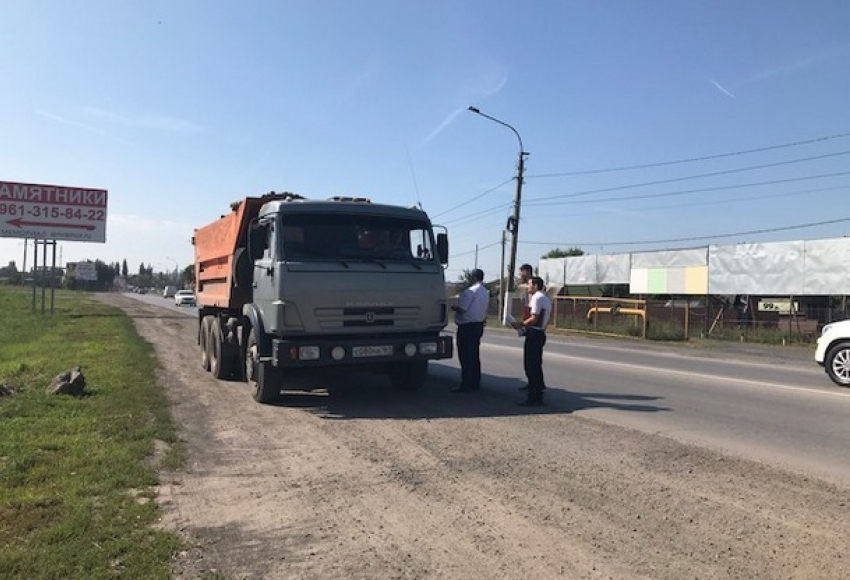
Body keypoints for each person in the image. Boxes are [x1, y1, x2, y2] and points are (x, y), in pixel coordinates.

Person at [512, 276, 551, 406]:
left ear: (535, 286)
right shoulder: (544, 297)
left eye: (529, 284)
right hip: (540, 333)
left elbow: (534, 318)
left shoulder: (537, 298)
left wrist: (520, 324)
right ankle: (537, 392)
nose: (527, 287)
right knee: (536, 365)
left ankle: (534, 397)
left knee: (531, 366)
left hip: (534, 333)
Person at [450, 269, 489, 392]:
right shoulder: (485, 291)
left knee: (465, 356)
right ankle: (475, 382)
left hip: (467, 326)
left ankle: (466, 383)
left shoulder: (470, 292)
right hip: (478, 325)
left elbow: (463, 309)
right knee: (474, 355)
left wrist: (453, 307)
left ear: (473, 277)